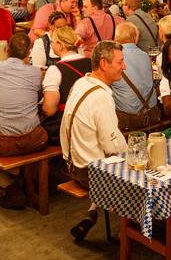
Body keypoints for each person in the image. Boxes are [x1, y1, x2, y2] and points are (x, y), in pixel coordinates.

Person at [60, 41, 128, 240]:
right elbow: (112, 146)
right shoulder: (101, 97)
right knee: (144, 171)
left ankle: (91, 213)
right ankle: (140, 230)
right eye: (120, 62)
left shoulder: (82, 82)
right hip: (88, 173)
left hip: (71, 164)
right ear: (104, 64)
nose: (124, 66)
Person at [0, 33, 46, 210]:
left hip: (4, 143)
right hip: (35, 139)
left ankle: (11, 186)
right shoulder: (36, 73)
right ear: (29, 53)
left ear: (6, 50)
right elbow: (37, 99)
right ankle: (28, 181)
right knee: (43, 135)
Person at [41, 26, 91, 143]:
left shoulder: (55, 70)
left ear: (60, 45)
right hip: (89, 119)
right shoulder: (90, 62)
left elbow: (49, 109)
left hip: (68, 126)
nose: (52, 45)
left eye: (53, 42)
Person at [112, 23, 160, 131]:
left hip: (126, 121)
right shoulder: (145, 56)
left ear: (116, 39)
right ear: (135, 38)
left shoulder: (113, 59)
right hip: (151, 114)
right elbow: (154, 78)